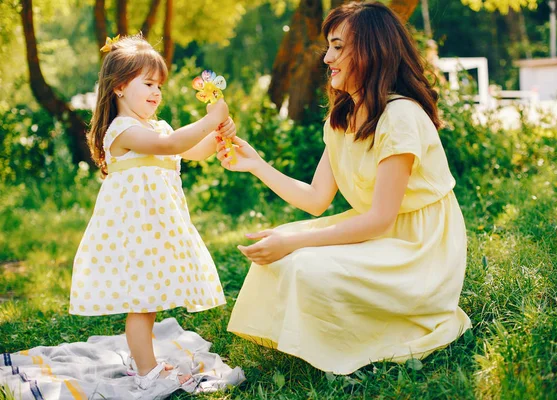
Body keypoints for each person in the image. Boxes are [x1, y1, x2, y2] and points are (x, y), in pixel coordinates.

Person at [218, 1, 471, 375]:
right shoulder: (344, 117)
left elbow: (380, 220)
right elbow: (317, 199)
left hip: (420, 248)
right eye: (329, 46)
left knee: (300, 260)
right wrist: (256, 165)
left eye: (338, 47)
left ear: (371, 50)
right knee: (284, 247)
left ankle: (376, 329)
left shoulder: (400, 116)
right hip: (383, 232)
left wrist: (296, 242)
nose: (327, 58)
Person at [69, 34, 236, 391]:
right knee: (142, 304)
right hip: (135, 230)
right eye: (147, 83)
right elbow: (170, 146)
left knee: (149, 300)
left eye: (159, 85)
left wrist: (219, 131)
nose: (156, 92)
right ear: (118, 87)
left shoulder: (157, 126)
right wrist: (208, 121)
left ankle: (144, 360)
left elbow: (191, 150)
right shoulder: (123, 131)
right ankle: (147, 371)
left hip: (158, 229)